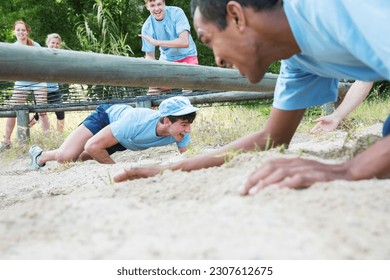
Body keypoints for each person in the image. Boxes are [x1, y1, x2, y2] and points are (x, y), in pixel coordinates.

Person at [113, 0, 390, 194]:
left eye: (208, 39)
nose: (218, 59)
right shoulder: (295, 59)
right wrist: (173, 167)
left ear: (236, 15)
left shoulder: (329, 7)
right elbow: (271, 138)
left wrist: (350, 170)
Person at [28, 96, 198, 170]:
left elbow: (188, 158)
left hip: (123, 140)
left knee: (79, 157)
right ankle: (40, 157)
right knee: (66, 157)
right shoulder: (136, 120)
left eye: (189, 124)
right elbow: (93, 146)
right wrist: (117, 171)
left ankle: (40, 155)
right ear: (167, 120)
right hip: (107, 118)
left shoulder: (182, 132)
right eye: (184, 124)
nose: (188, 130)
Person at [0, 20, 49, 151]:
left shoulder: (35, 45)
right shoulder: (13, 47)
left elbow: (43, 62)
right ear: (14, 32)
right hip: (21, 83)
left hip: (38, 81)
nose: (21, 32)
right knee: (13, 111)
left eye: (23, 30)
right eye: (18, 30)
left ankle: (47, 139)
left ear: (27, 31)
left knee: (42, 111)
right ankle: (6, 141)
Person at [139, 0, 198, 95]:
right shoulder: (147, 27)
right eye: (152, 5)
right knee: (152, 90)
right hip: (166, 60)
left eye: (159, 4)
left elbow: (184, 42)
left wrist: (157, 42)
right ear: (147, 7)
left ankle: (187, 106)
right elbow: (150, 57)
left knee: (187, 86)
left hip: (187, 57)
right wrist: (153, 78)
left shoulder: (177, 12)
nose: (157, 8)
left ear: (164, 3)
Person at [29, 33, 66, 134]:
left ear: (60, 45)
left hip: (54, 90)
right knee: (38, 115)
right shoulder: (42, 54)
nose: (55, 45)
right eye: (52, 42)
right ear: (47, 43)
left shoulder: (61, 56)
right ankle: (24, 129)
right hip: (41, 90)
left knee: (60, 111)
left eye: (57, 43)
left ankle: (59, 136)